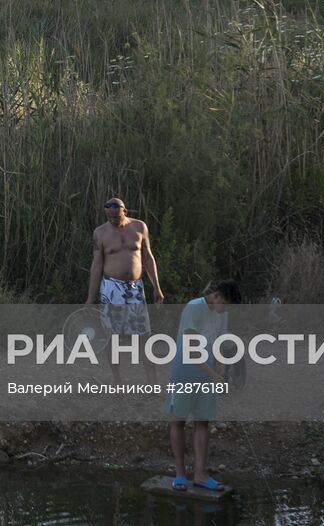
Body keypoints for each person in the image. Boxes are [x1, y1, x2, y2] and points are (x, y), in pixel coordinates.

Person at [166, 280, 242, 493]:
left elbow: (221, 343)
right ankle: (180, 475)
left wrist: (224, 369)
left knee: (202, 422)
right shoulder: (194, 308)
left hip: (208, 375)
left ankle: (200, 475)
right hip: (184, 372)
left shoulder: (222, 313)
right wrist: (214, 375)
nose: (225, 309)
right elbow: (190, 351)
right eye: (224, 304)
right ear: (216, 296)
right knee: (178, 421)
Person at [85, 198, 165, 376]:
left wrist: (156, 287)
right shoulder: (100, 233)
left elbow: (148, 258)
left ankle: (153, 383)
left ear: (124, 211)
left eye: (116, 216)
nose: (113, 220)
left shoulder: (140, 227)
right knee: (112, 339)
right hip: (111, 289)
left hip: (136, 289)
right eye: (109, 217)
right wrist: (90, 298)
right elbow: (96, 265)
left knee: (144, 337)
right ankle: (118, 382)